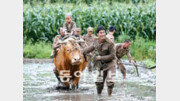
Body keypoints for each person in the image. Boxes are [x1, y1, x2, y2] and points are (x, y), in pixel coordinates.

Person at [83, 26, 116, 96]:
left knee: (110, 82)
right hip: (100, 65)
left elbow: (113, 56)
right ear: (97, 34)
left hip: (110, 64)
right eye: (101, 33)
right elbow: (89, 48)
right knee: (99, 82)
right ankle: (99, 96)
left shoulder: (110, 43)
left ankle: (110, 96)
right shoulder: (95, 41)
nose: (103, 34)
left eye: (104, 32)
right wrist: (81, 52)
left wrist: (100, 57)